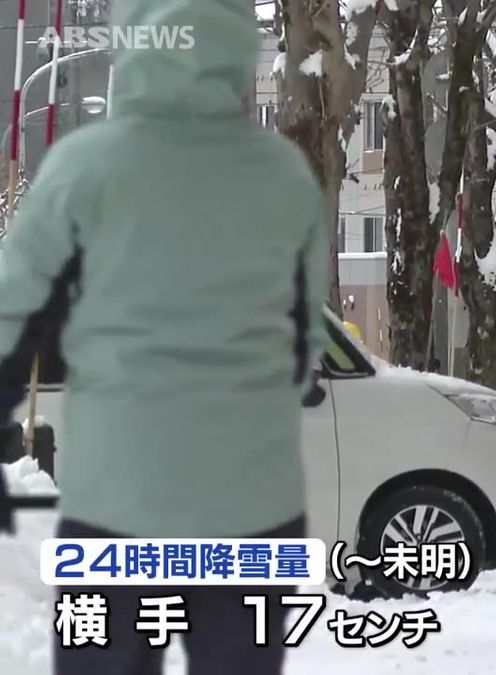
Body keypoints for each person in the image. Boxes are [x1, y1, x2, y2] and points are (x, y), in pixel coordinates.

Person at [0, 2, 329, 673]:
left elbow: (12, 316)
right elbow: (303, 348)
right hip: (252, 506)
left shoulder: (83, 169)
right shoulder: (284, 176)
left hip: (116, 502)